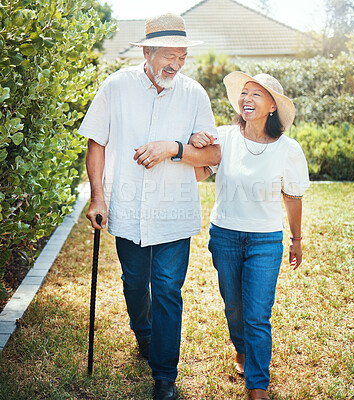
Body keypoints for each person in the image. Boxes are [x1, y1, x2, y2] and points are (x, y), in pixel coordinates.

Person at [78, 13, 220, 400]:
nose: (176, 64)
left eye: (182, 56)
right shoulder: (116, 86)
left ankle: (165, 377)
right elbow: (96, 142)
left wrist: (174, 148)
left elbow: (214, 156)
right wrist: (98, 196)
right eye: (169, 55)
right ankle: (142, 332)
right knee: (135, 284)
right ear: (147, 50)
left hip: (174, 213)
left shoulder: (194, 94)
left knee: (169, 291)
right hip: (126, 209)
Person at [191, 72, 310, 400]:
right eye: (244, 93)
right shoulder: (224, 137)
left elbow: (293, 196)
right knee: (234, 306)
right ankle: (241, 347)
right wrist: (192, 148)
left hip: (265, 240)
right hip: (225, 235)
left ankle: (257, 384)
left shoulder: (288, 149)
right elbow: (200, 171)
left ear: (273, 106)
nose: (247, 99)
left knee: (258, 312)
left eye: (257, 94)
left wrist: (296, 239)